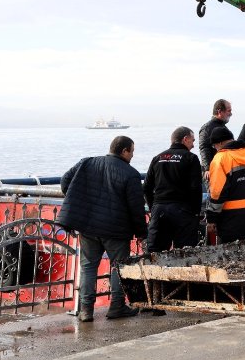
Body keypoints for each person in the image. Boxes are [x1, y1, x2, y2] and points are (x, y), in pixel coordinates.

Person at [58, 136, 147, 322]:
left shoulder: (87, 163)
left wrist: (80, 203)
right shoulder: (131, 174)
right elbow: (136, 207)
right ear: (124, 151)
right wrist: (141, 232)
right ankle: (116, 306)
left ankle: (86, 310)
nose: (132, 155)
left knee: (88, 267)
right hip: (116, 229)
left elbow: (65, 181)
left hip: (88, 226)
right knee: (118, 267)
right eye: (131, 151)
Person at [143, 126, 202, 253]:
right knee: (185, 253)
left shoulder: (157, 158)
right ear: (185, 139)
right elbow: (195, 188)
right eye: (192, 140)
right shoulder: (191, 158)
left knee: (155, 254)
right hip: (183, 211)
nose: (193, 145)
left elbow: (147, 187)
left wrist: (153, 207)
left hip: (160, 210)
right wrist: (196, 213)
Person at [206, 126, 245, 243]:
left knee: (229, 252)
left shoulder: (220, 159)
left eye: (214, 146)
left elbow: (217, 193)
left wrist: (211, 219)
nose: (215, 149)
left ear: (220, 143)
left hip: (229, 218)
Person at [198, 99, 233, 181]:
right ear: (220, 112)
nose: (231, 113)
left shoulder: (223, 127)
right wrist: (208, 168)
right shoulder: (207, 128)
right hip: (214, 170)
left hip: (225, 168)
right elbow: (204, 148)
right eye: (229, 111)